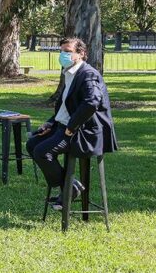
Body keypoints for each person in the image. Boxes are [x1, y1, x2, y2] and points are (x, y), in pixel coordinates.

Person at [26, 37, 117, 210]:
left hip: (83, 132)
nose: (63, 55)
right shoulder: (70, 73)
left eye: (67, 52)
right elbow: (67, 106)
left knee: (42, 152)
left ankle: (70, 188)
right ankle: (71, 187)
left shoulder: (88, 74)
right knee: (32, 144)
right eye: (61, 51)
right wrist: (50, 123)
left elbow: (92, 103)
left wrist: (71, 127)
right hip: (65, 126)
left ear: (81, 54)